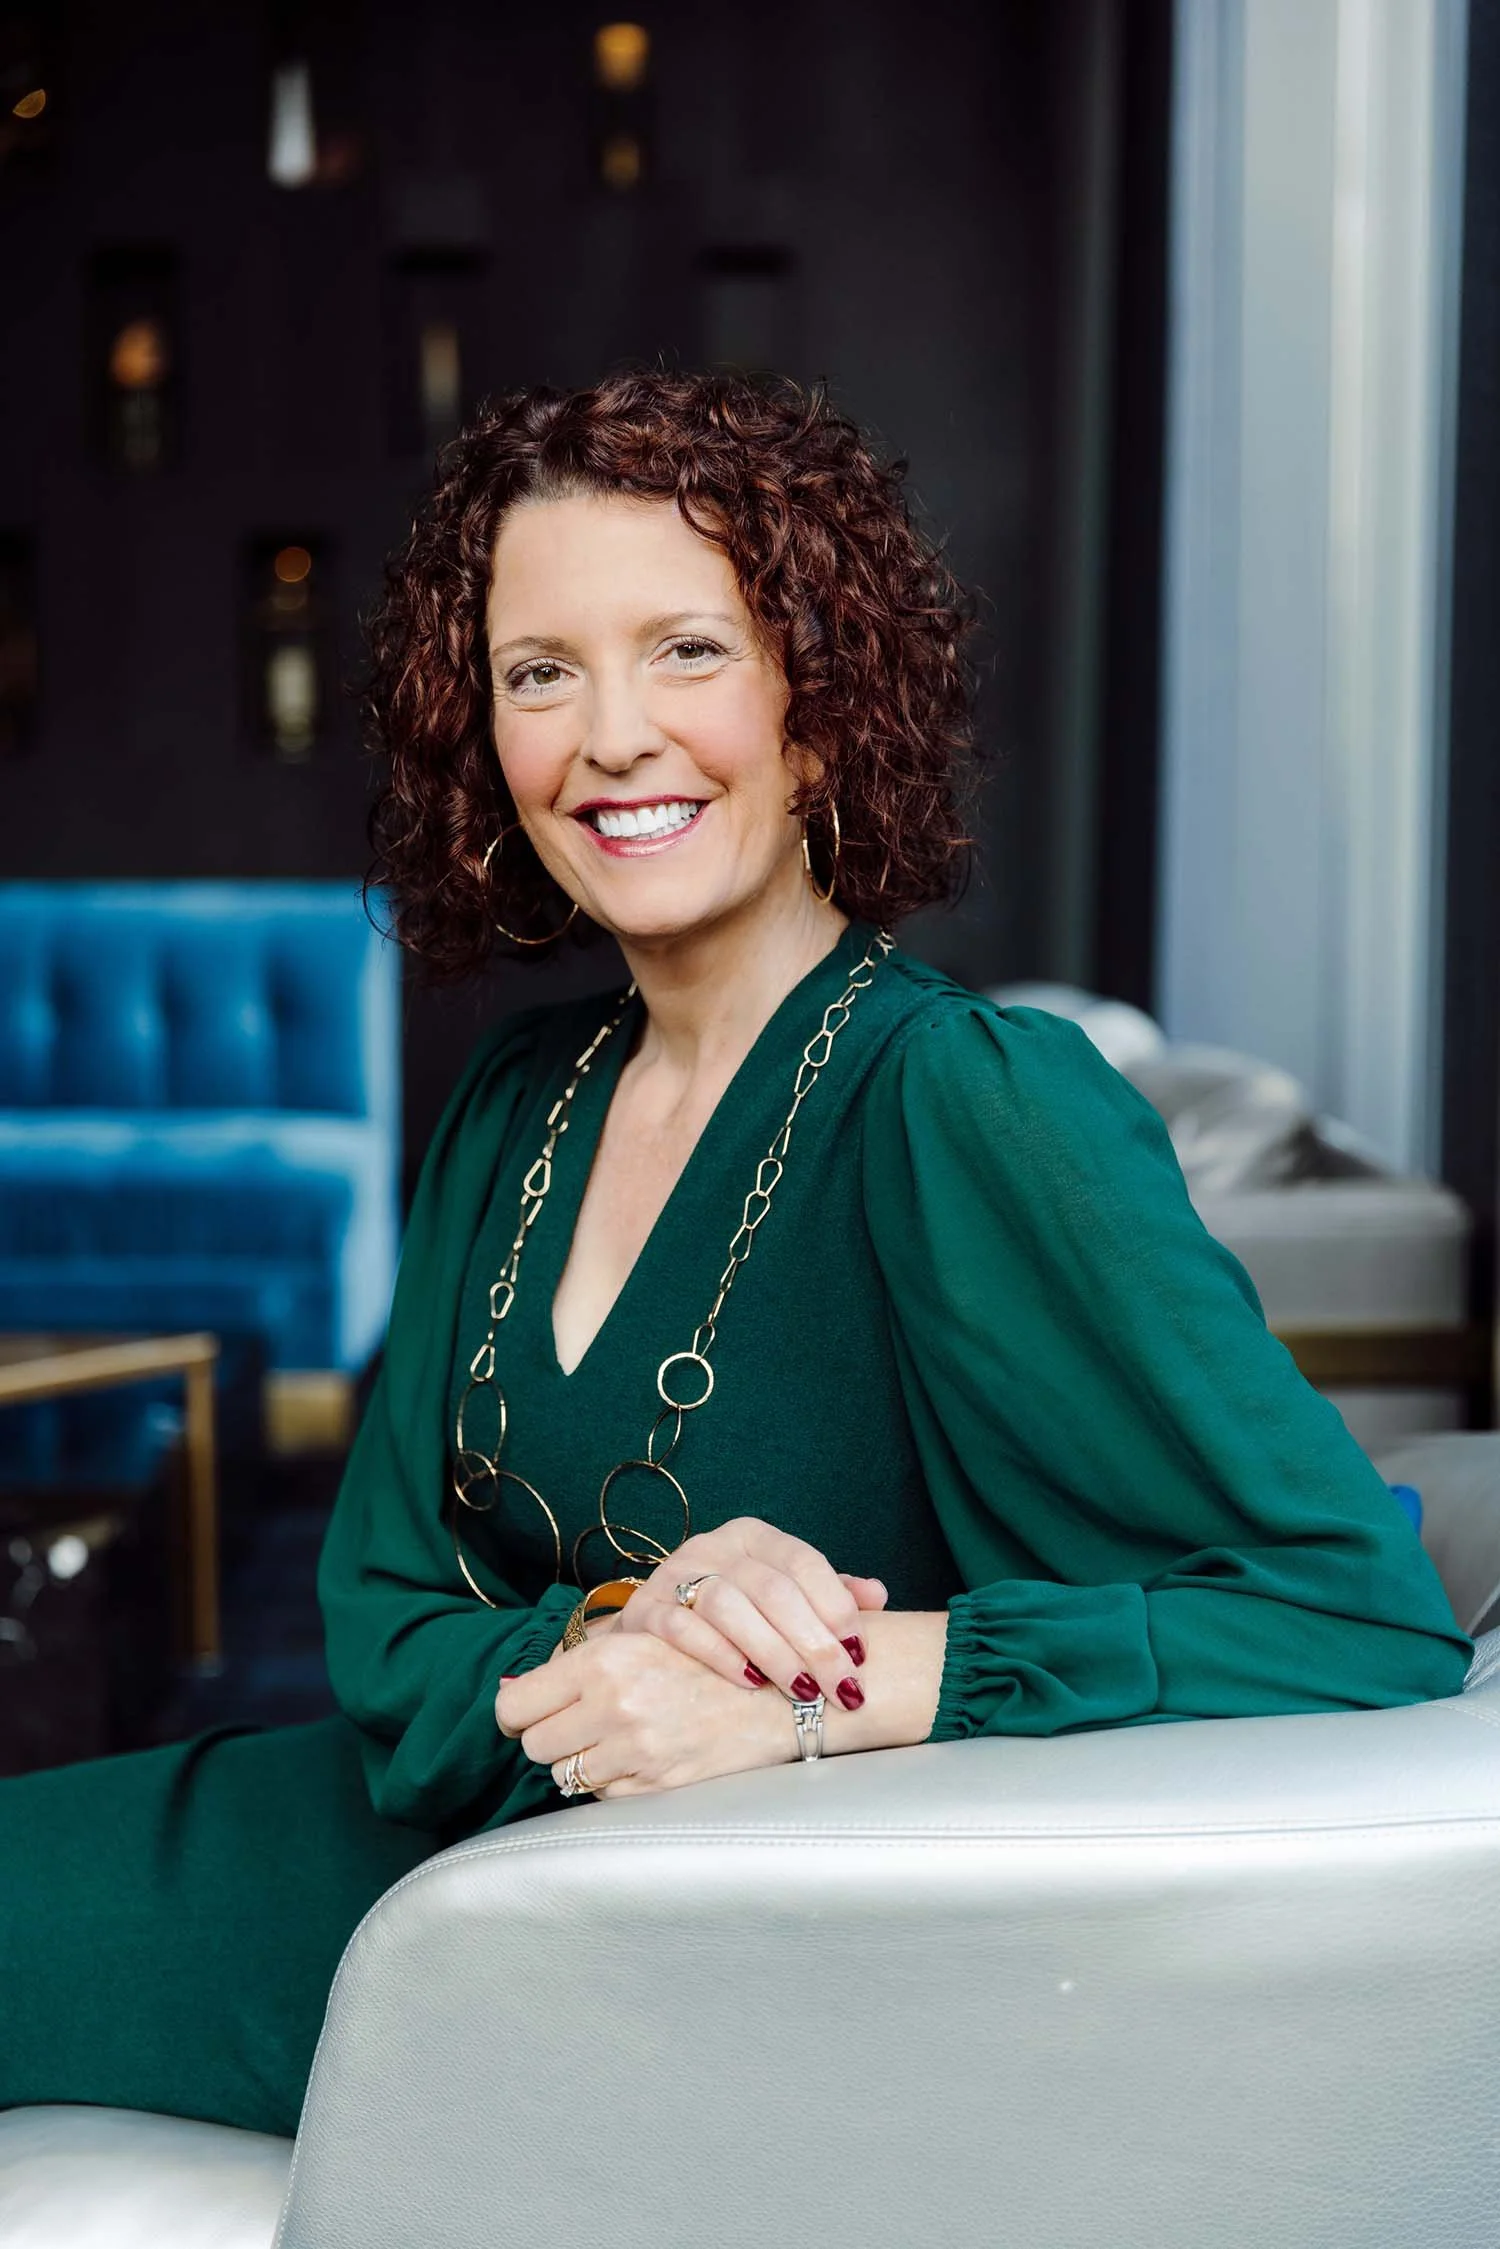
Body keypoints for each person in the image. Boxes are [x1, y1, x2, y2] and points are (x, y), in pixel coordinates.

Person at [0, 368, 1472, 2139]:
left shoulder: (969, 1101)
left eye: (686, 650)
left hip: (652, 1943)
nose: (612, 736)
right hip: (398, 1843)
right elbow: (382, 1629)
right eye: (542, 672)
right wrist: (634, 1623)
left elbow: (1352, 1622)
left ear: (821, 708)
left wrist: (817, 1686)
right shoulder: (515, 1100)